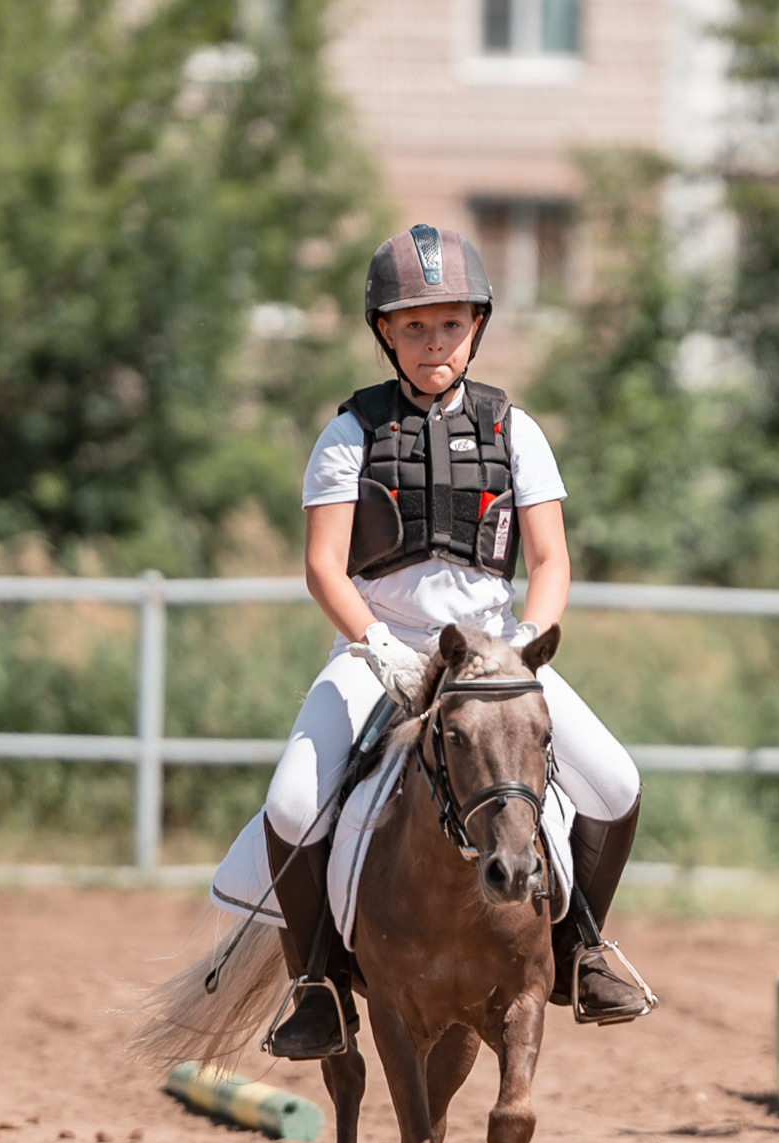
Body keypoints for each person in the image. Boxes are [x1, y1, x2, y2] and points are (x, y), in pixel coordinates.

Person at [245, 222, 654, 1060]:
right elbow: (324, 566)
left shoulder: (516, 431)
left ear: (477, 327)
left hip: (493, 655)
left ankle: (583, 949)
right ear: (386, 332)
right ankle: (318, 985)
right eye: (416, 325)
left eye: (452, 324)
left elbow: (550, 557)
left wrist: (530, 640)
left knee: (615, 781)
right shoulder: (349, 433)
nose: (435, 341)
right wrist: (375, 646)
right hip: (379, 650)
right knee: (290, 802)